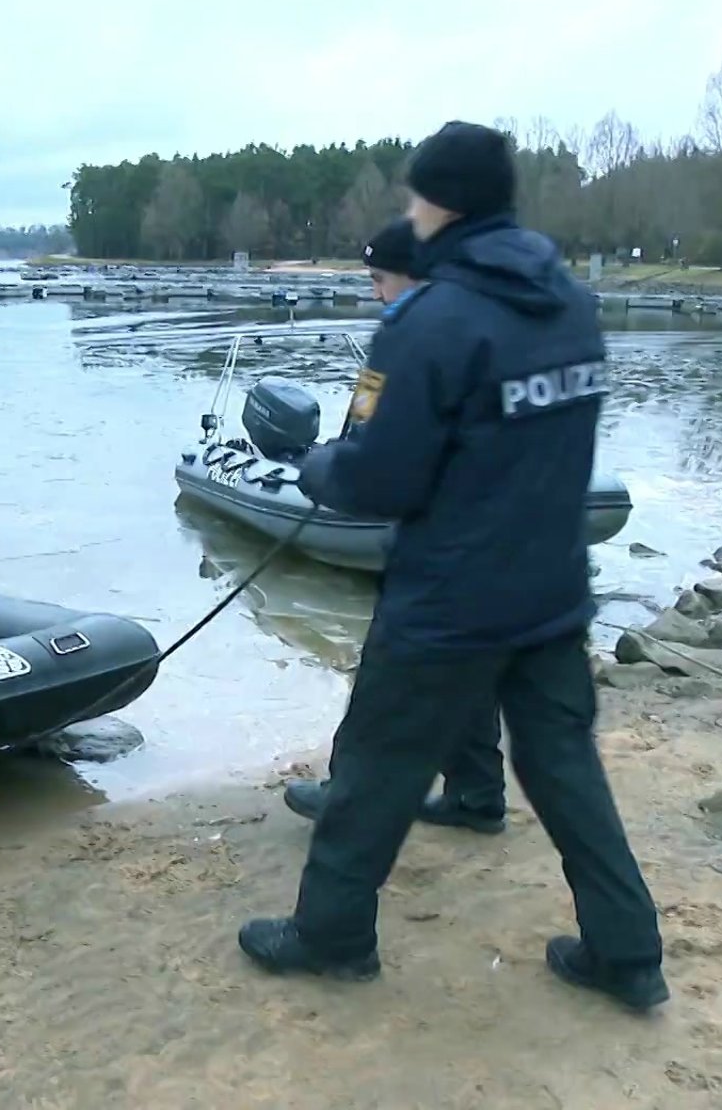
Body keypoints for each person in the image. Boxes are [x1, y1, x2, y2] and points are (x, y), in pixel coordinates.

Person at [236, 120, 667, 1013]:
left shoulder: (428, 322)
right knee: (564, 770)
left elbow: (377, 480)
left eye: (413, 195)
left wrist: (313, 465)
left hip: (450, 600)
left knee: (377, 772)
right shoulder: (572, 302)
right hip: (551, 587)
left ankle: (331, 937)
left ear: (437, 203)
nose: (408, 209)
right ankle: (628, 953)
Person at [286, 215, 512, 838]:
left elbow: (368, 453)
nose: (376, 294)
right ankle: (476, 795)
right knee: (468, 672)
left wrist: (321, 473)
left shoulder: (406, 343)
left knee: (386, 678)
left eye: (380, 280)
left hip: (442, 548)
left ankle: (348, 799)